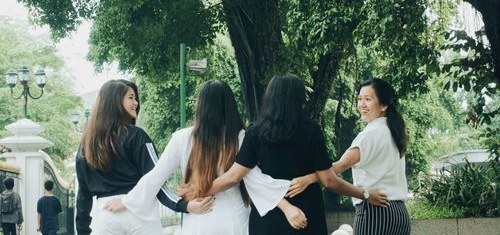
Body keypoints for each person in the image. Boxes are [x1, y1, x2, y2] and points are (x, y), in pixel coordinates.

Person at [183, 74, 388, 235]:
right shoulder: (311, 131)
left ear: (270, 97)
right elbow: (330, 181)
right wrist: (364, 194)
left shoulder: (255, 132)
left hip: (267, 220)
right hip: (307, 216)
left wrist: (198, 190)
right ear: (298, 99)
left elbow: (233, 176)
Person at [103, 80, 307, 234]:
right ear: (229, 105)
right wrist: (287, 206)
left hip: (199, 217)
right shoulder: (240, 137)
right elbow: (255, 179)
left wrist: (127, 202)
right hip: (235, 218)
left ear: (201, 106)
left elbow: (156, 176)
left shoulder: (182, 137)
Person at [75, 79, 212, 235]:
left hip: (106, 215)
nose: (136, 103)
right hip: (139, 213)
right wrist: (182, 205)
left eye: (135, 98)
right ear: (115, 102)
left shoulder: (87, 144)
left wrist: (82, 231)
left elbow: (83, 195)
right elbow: (156, 179)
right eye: (131, 97)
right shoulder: (137, 136)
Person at [290, 78, 411, 235]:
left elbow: (340, 165)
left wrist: (308, 179)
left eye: (368, 99)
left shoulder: (369, 135)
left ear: (384, 105)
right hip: (399, 214)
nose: (362, 104)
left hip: (375, 211)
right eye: (360, 99)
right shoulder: (394, 133)